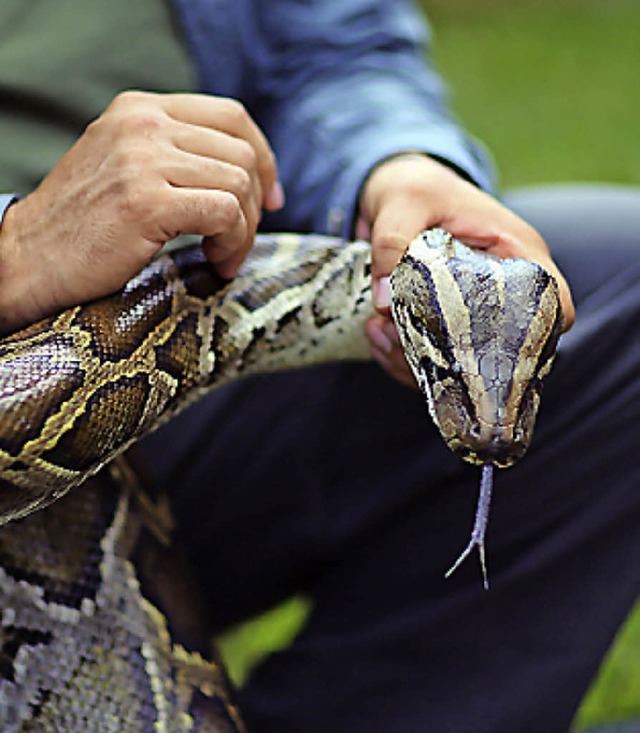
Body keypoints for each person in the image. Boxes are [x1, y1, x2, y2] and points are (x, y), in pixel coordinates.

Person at [0, 1, 639, 731]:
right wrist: (13, 247)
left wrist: (396, 164)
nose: (496, 433)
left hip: (179, 332)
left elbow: (336, 54)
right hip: (48, 379)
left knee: (626, 271)